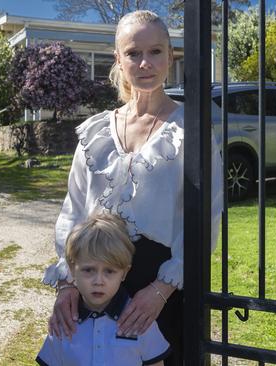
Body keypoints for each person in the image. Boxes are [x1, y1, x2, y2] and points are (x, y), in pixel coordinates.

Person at [43, 10, 223, 365]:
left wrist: (161, 291)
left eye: (155, 51)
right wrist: (66, 284)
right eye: (133, 53)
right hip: (96, 282)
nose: (145, 63)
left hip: (160, 289)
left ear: (170, 57)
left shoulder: (191, 131)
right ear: (118, 59)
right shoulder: (94, 132)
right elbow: (73, 212)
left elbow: (206, 217)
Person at [37, 213, 171, 366]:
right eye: (88, 270)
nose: (98, 281)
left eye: (109, 271)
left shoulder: (138, 319)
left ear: (124, 272)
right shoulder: (64, 321)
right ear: (72, 269)